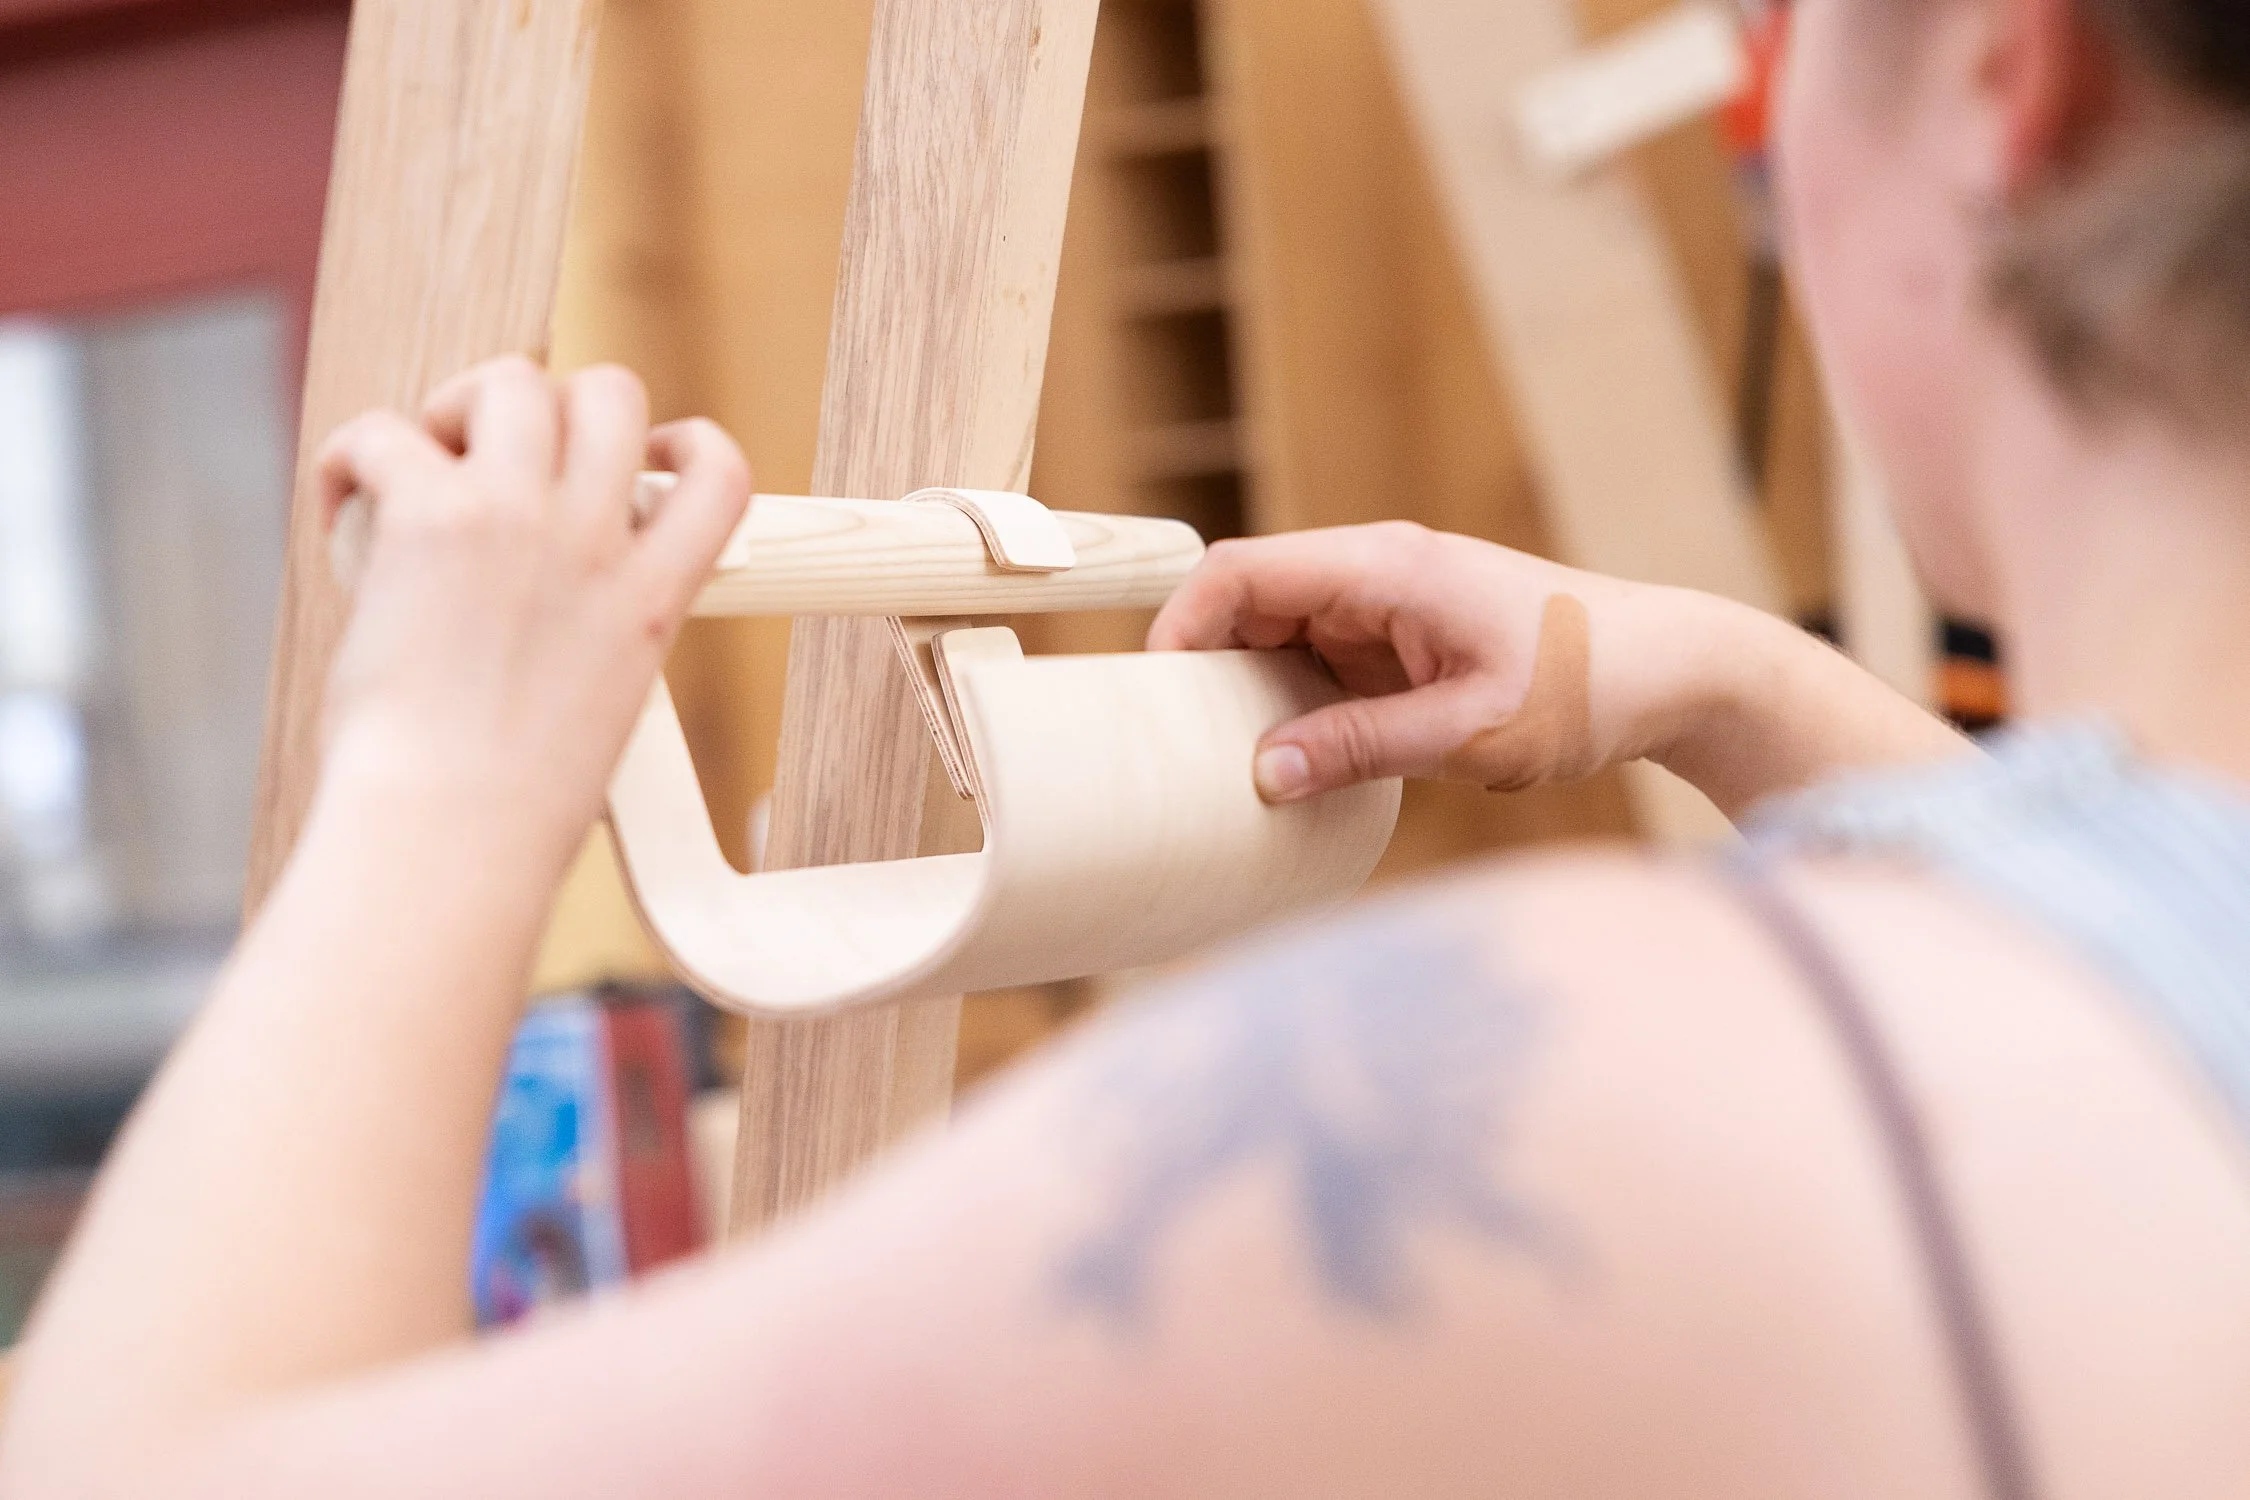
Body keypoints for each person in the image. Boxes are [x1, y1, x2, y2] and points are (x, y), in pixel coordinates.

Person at [4, 0, 2248, 1491]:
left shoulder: (1590, 1098)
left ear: (1996, 73)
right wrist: (1740, 687)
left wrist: (435, 774)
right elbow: (2107, 979)